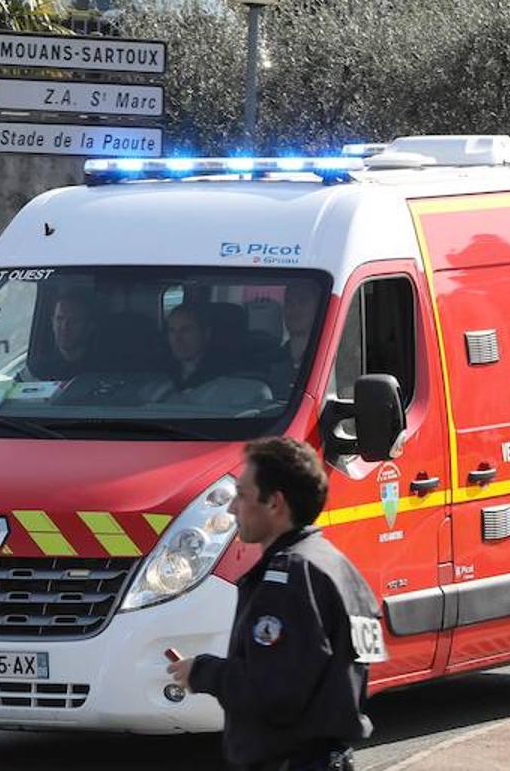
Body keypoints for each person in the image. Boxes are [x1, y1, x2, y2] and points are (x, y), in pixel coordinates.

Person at [168, 437, 382, 771]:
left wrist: (203, 672)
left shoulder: (290, 577)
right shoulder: (334, 564)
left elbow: (275, 692)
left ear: (275, 503)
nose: (232, 508)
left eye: (241, 495)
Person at [29, 292, 99, 380]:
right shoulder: (38, 369)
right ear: (52, 322)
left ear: (89, 327)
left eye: (74, 320)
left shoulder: (103, 369)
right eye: (59, 319)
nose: (64, 326)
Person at [164, 303, 226, 388]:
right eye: (172, 331)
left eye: (185, 330)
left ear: (206, 333)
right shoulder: (161, 372)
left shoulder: (222, 374)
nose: (177, 339)